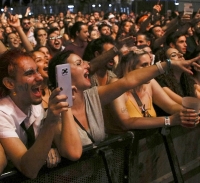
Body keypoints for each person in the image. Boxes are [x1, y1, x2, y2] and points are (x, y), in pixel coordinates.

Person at [48, 47, 200, 146]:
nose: (87, 65)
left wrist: (168, 64)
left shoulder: (93, 95)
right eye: (79, 63)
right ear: (64, 74)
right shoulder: (54, 113)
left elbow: (129, 81)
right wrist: (169, 120)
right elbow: (74, 153)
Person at [0, 50, 82, 178]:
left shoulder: (35, 104)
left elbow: (74, 152)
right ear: (10, 83)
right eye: (29, 73)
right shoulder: (2, 114)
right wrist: (50, 121)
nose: (39, 77)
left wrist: (66, 103)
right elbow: (28, 169)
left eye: (37, 70)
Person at [104, 48, 199, 134]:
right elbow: (126, 122)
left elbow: (170, 106)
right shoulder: (117, 84)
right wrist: (169, 120)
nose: (150, 69)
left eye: (150, 64)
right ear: (130, 68)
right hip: (121, 149)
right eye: (144, 65)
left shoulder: (150, 82)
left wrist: (188, 115)